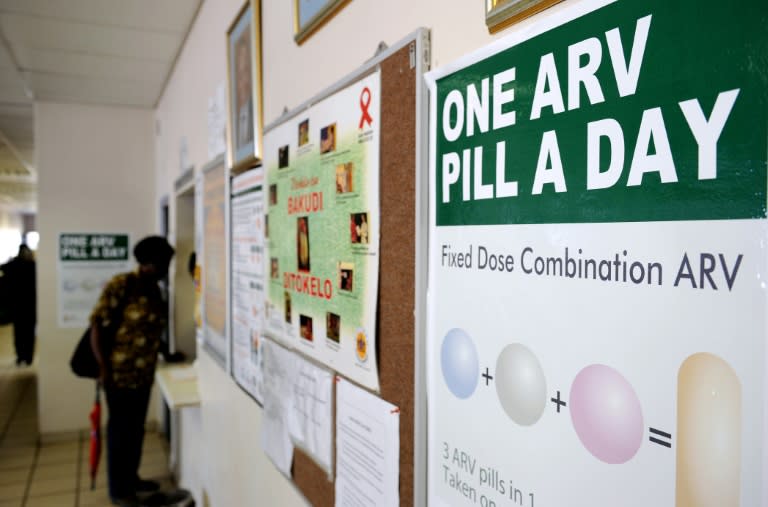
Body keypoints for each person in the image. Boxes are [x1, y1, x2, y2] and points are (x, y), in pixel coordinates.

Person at [89, 236, 182, 507]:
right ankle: (120, 491)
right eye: (166, 262)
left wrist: (167, 353)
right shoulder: (122, 285)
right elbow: (97, 326)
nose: (168, 267)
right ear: (151, 263)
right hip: (117, 377)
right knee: (120, 433)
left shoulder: (155, 290)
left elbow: (151, 330)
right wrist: (103, 368)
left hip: (143, 376)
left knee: (136, 430)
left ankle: (132, 478)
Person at [1, 244, 36, 366]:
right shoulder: (33, 266)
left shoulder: (13, 265)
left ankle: (20, 356)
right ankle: (28, 357)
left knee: (19, 333)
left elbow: (3, 271)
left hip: (16, 306)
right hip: (30, 306)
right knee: (29, 333)